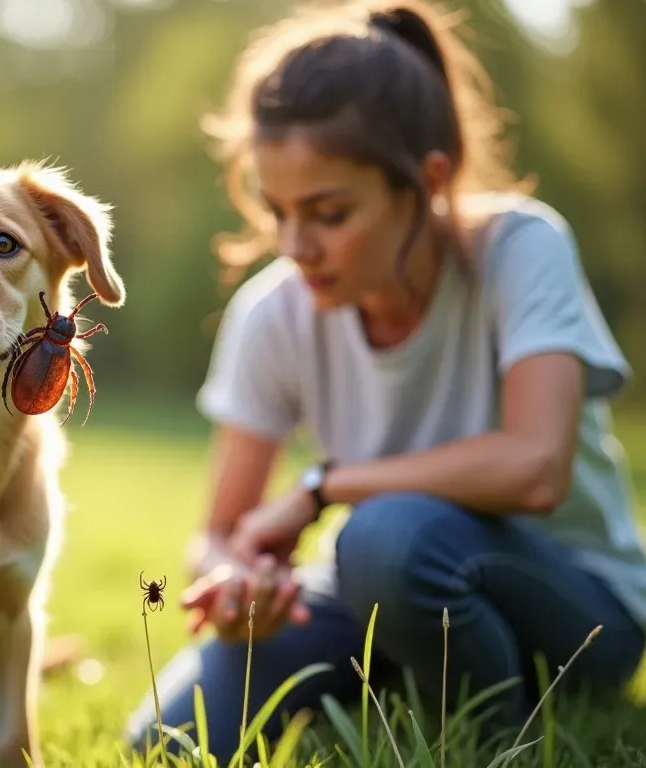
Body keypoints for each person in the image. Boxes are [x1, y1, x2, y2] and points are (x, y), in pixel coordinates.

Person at [125, 0, 646, 761]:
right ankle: (416, 674)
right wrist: (238, 582)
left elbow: (536, 468)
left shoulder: (521, 248)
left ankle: (490, 736)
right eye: (277, 211)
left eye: (329, 213)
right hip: (378, 582)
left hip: (578, 609)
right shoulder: (272, 313)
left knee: (386, 535)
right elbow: (220, 531)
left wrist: (325, 486)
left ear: (426, 181)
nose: (297, 246)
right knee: (168, 735)